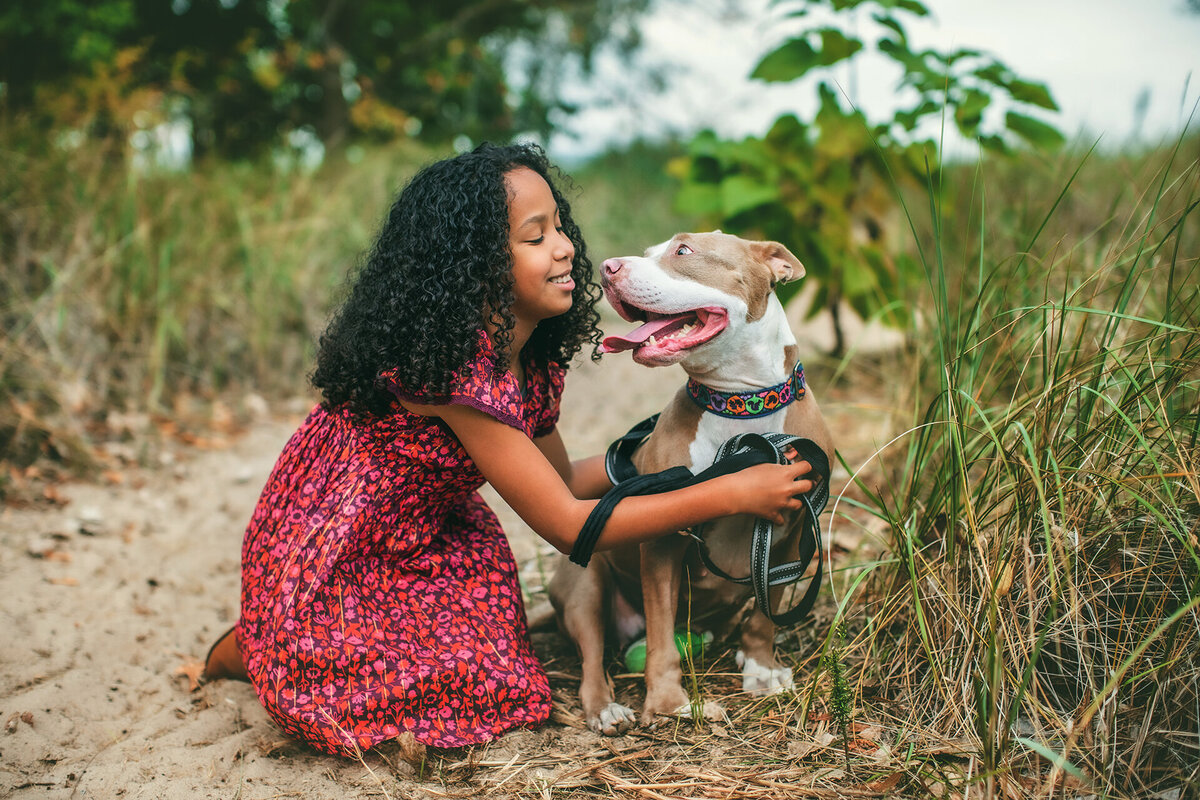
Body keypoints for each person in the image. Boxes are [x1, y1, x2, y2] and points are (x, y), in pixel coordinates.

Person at [202, 142, 816, 756]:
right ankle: (258, 639)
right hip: (342, 544)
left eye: (559, 225)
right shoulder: (450, 373)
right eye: (534, 236)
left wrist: (649, 455)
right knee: (435, 691)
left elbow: (564, 483)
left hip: (427, 533)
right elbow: (571, 525)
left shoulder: (528, 358)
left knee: (502, 673)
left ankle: (269, 634)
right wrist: (729, 491)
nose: (567, 246)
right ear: (474, 267)